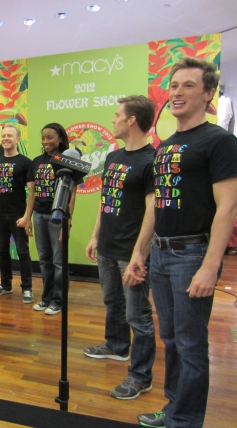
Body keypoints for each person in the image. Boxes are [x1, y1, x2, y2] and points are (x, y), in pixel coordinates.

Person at [125, 58, 237, 428]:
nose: (177, 92)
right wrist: (140, 253)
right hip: (160, 253)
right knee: (171, 340)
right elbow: (158, 204)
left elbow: (227, 207)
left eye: (188, 85)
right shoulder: (166, 146)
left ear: (208, 94)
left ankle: (185, 420)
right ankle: (173, 408)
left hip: (192, 255)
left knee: (190, 344)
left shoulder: (220, 142)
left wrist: (209, 265)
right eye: (173, 85)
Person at [84, 96, 157, 400]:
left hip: (132, 251)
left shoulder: (151, 160)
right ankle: (116, 346)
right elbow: (106, 200)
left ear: (131, 121)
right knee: (112, 301)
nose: (112, 120)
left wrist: (140, 253)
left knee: (138, 315)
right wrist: (95, 235)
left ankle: (141, 376)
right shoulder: (114, 157)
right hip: (107, 245)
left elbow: (153, 210)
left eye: (117, 115)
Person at [27, 123, 75, 315]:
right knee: (44, 260)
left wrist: (67, 220)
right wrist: (28, 217)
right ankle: (46, 298)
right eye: (43, 138)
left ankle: (58, 300)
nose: (46, 141)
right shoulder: (37, 161)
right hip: (39, 214)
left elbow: (72, 192)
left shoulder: (66, 160)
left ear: (60, 139)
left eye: (50, 138)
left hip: (57, 217)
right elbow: (32, 192)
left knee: (58, 261)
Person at [0, 125, 35, 304]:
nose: (6, 138)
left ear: (18, 139)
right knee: (2, 250)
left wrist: (26, 217)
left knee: (23, 251)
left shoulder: (25, 162)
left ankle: (27, 287)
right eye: (4, 135)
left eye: (10, 135)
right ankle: (5, 285)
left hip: (18, 215)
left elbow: (32, 192)